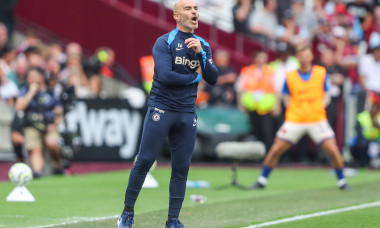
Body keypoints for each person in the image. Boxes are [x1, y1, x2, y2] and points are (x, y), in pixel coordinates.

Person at [117, 0, 218, 227]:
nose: (194, 12)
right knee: (144, 161)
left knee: (181, 168)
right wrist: (194, 78)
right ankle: (127, 214)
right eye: (188, 9)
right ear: (176, 16)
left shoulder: (202, 44)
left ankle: (173, 221)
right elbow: (166, 75)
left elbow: (213, 77)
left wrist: (201, 54)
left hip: (186, 112)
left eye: (196, 9)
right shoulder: (165, 42)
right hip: (162, 109)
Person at [250, 45, 350, 191]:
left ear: (311, 57)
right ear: (297, 57)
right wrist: (294, 108)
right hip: (295, 119)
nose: (304, 58)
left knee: (333, 149)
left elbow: (327, 94)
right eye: (301, 55)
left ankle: (342, 181)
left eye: (307, 55)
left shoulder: (320, 73)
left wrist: (318, 107)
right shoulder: (290, 76)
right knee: (276, 149)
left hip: (317, 119)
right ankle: (261, 180)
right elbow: (285, 96)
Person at [15, 67, 64, 178]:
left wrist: (54, 124)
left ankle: (59, 165)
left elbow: (60, 112)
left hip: (49, 126)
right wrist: (31, 92)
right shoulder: (25, 90)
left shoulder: (51, 92)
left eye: (32, 76)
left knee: (52, 142)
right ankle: (37, 172)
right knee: (35, 148)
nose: (29, 79)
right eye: (28, 77)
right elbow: (18, 107)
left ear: (41, 77)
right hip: (31, 126)